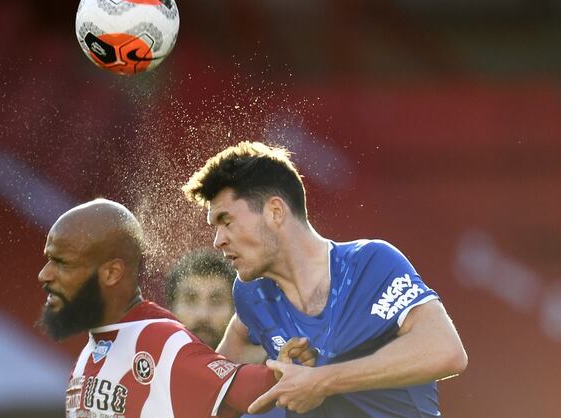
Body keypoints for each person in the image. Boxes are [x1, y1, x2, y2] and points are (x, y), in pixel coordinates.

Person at [182, 141, 468, 417]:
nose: (218, 240)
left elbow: (445, 351)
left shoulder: (370, 263)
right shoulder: (250, 295)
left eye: (226, 221)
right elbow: (215, 391)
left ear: (275, 211)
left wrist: (321, 381)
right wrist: (271, 374)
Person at [36, 198, 313, 417]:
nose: (44, 275)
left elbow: (249, 388)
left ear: (111, 273)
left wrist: (283, 369)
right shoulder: (90, 351)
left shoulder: (161, 341)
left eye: (63, 263)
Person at [167, 249, 284, 418]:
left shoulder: (276, 387)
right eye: (190, 299)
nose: (203, 314)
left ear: (237, 311)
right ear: (170, 308)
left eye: (216, 300)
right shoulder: (146, 375)